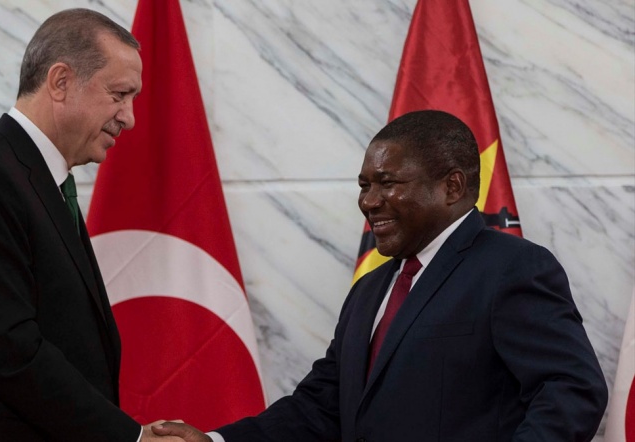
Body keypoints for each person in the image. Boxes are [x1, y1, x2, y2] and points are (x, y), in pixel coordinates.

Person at [154, 110, 608, 441]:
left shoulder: (512, 267)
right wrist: (217, 441)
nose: (369, 202)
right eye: (364, 185)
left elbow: (571, 391)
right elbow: (321, 405)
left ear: (451, 187)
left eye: (388, 183)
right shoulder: (370, 289)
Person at [0, 8, 182, 442]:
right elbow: (5, 351)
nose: (129, 117)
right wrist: (126, 437)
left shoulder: (36, 178)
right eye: (119, 94)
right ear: (60, 82)